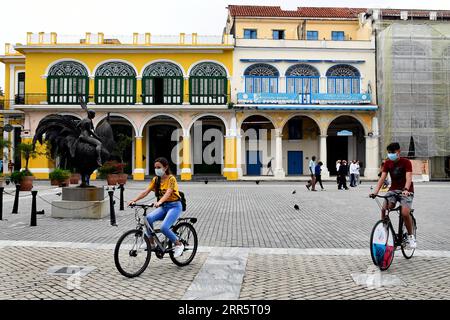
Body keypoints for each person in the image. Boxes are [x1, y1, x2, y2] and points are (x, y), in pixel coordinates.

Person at [128, 157, 185, 257]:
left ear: (165, 167)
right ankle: (151, 243)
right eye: (155, 167)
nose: (156, 169)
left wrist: (159, 202)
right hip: (164, 207)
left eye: (159, 167)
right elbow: (146, 191)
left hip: (175, 206)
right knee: (148, 218)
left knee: (164, 227)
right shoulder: (156, 179)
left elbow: (168, 192)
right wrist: (134, 200)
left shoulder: (171, 179)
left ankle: (179, 244)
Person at [370, 142, 416, 249]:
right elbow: (382, 178)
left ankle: (410, 236)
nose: (391, 154)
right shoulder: (387, 163)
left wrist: (405, 189)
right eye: (389, 152)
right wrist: (375, 192)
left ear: (398, 152)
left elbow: (409, 177)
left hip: (406, 190)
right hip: (393, 190)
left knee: (405, 213)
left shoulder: (406, 162)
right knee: (385, 209)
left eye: (393, 152)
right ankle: (385, 232)